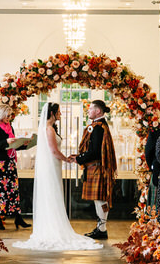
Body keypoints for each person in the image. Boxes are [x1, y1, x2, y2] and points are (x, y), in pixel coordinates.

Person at [13, 102, 101, 251]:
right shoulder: (49, 129)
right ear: (52, 114)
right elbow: (54, 151)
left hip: (53, 166)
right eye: (59, 112)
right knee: (52, 194)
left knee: (53, 195)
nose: (61, 114)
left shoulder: (48, 129)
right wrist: (67, 159)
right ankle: (52, 227)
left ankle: (51, 224)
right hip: (51, 166)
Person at [0, 104, 31, 230]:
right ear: (0, 114)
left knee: (12, 191)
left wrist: (25, 145)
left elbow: (13, 146)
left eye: (10, 115)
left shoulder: (10, 127)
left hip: (9, 163)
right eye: (7, 115)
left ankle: (17, 217)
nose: (9, 117)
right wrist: (6, 142)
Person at [76, 99, 117, 240]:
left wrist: (79, 158)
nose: (88, 110)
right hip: (95, 168)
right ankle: (101, 228)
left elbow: (94, 152)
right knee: (98, 199)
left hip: (97, 168)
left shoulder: (99, 127)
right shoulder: (98, 126)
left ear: (98, 111)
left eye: (91, 108)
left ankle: (102, 229)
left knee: (101, 199)